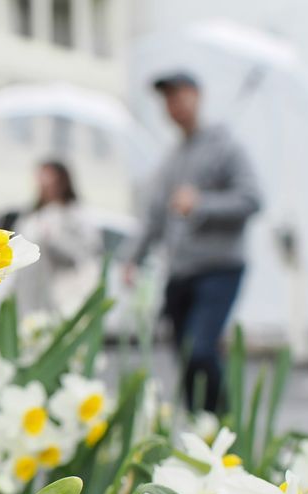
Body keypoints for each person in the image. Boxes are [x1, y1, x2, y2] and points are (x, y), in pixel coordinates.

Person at [125, 71, 262, 413]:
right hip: (180, 272)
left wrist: (201, 203)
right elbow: (154, 218)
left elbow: (252, 199)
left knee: (200, 348)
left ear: (198, 96)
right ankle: (200, 426)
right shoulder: (170, 161)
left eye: (179, 95)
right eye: (167, 99)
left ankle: (222, 422)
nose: (174, 104)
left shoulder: (227, 148)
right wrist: (132, 259)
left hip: (219, 268)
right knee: (185, 358)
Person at [10, 161, 103, 317]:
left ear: (62, 182)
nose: (43, 185)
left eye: (49, 180)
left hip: (60, 293)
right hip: (27, 293)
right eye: (41, 180)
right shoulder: (31, 216)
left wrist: (54, 239)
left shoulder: (76, 216)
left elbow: (87, 253)